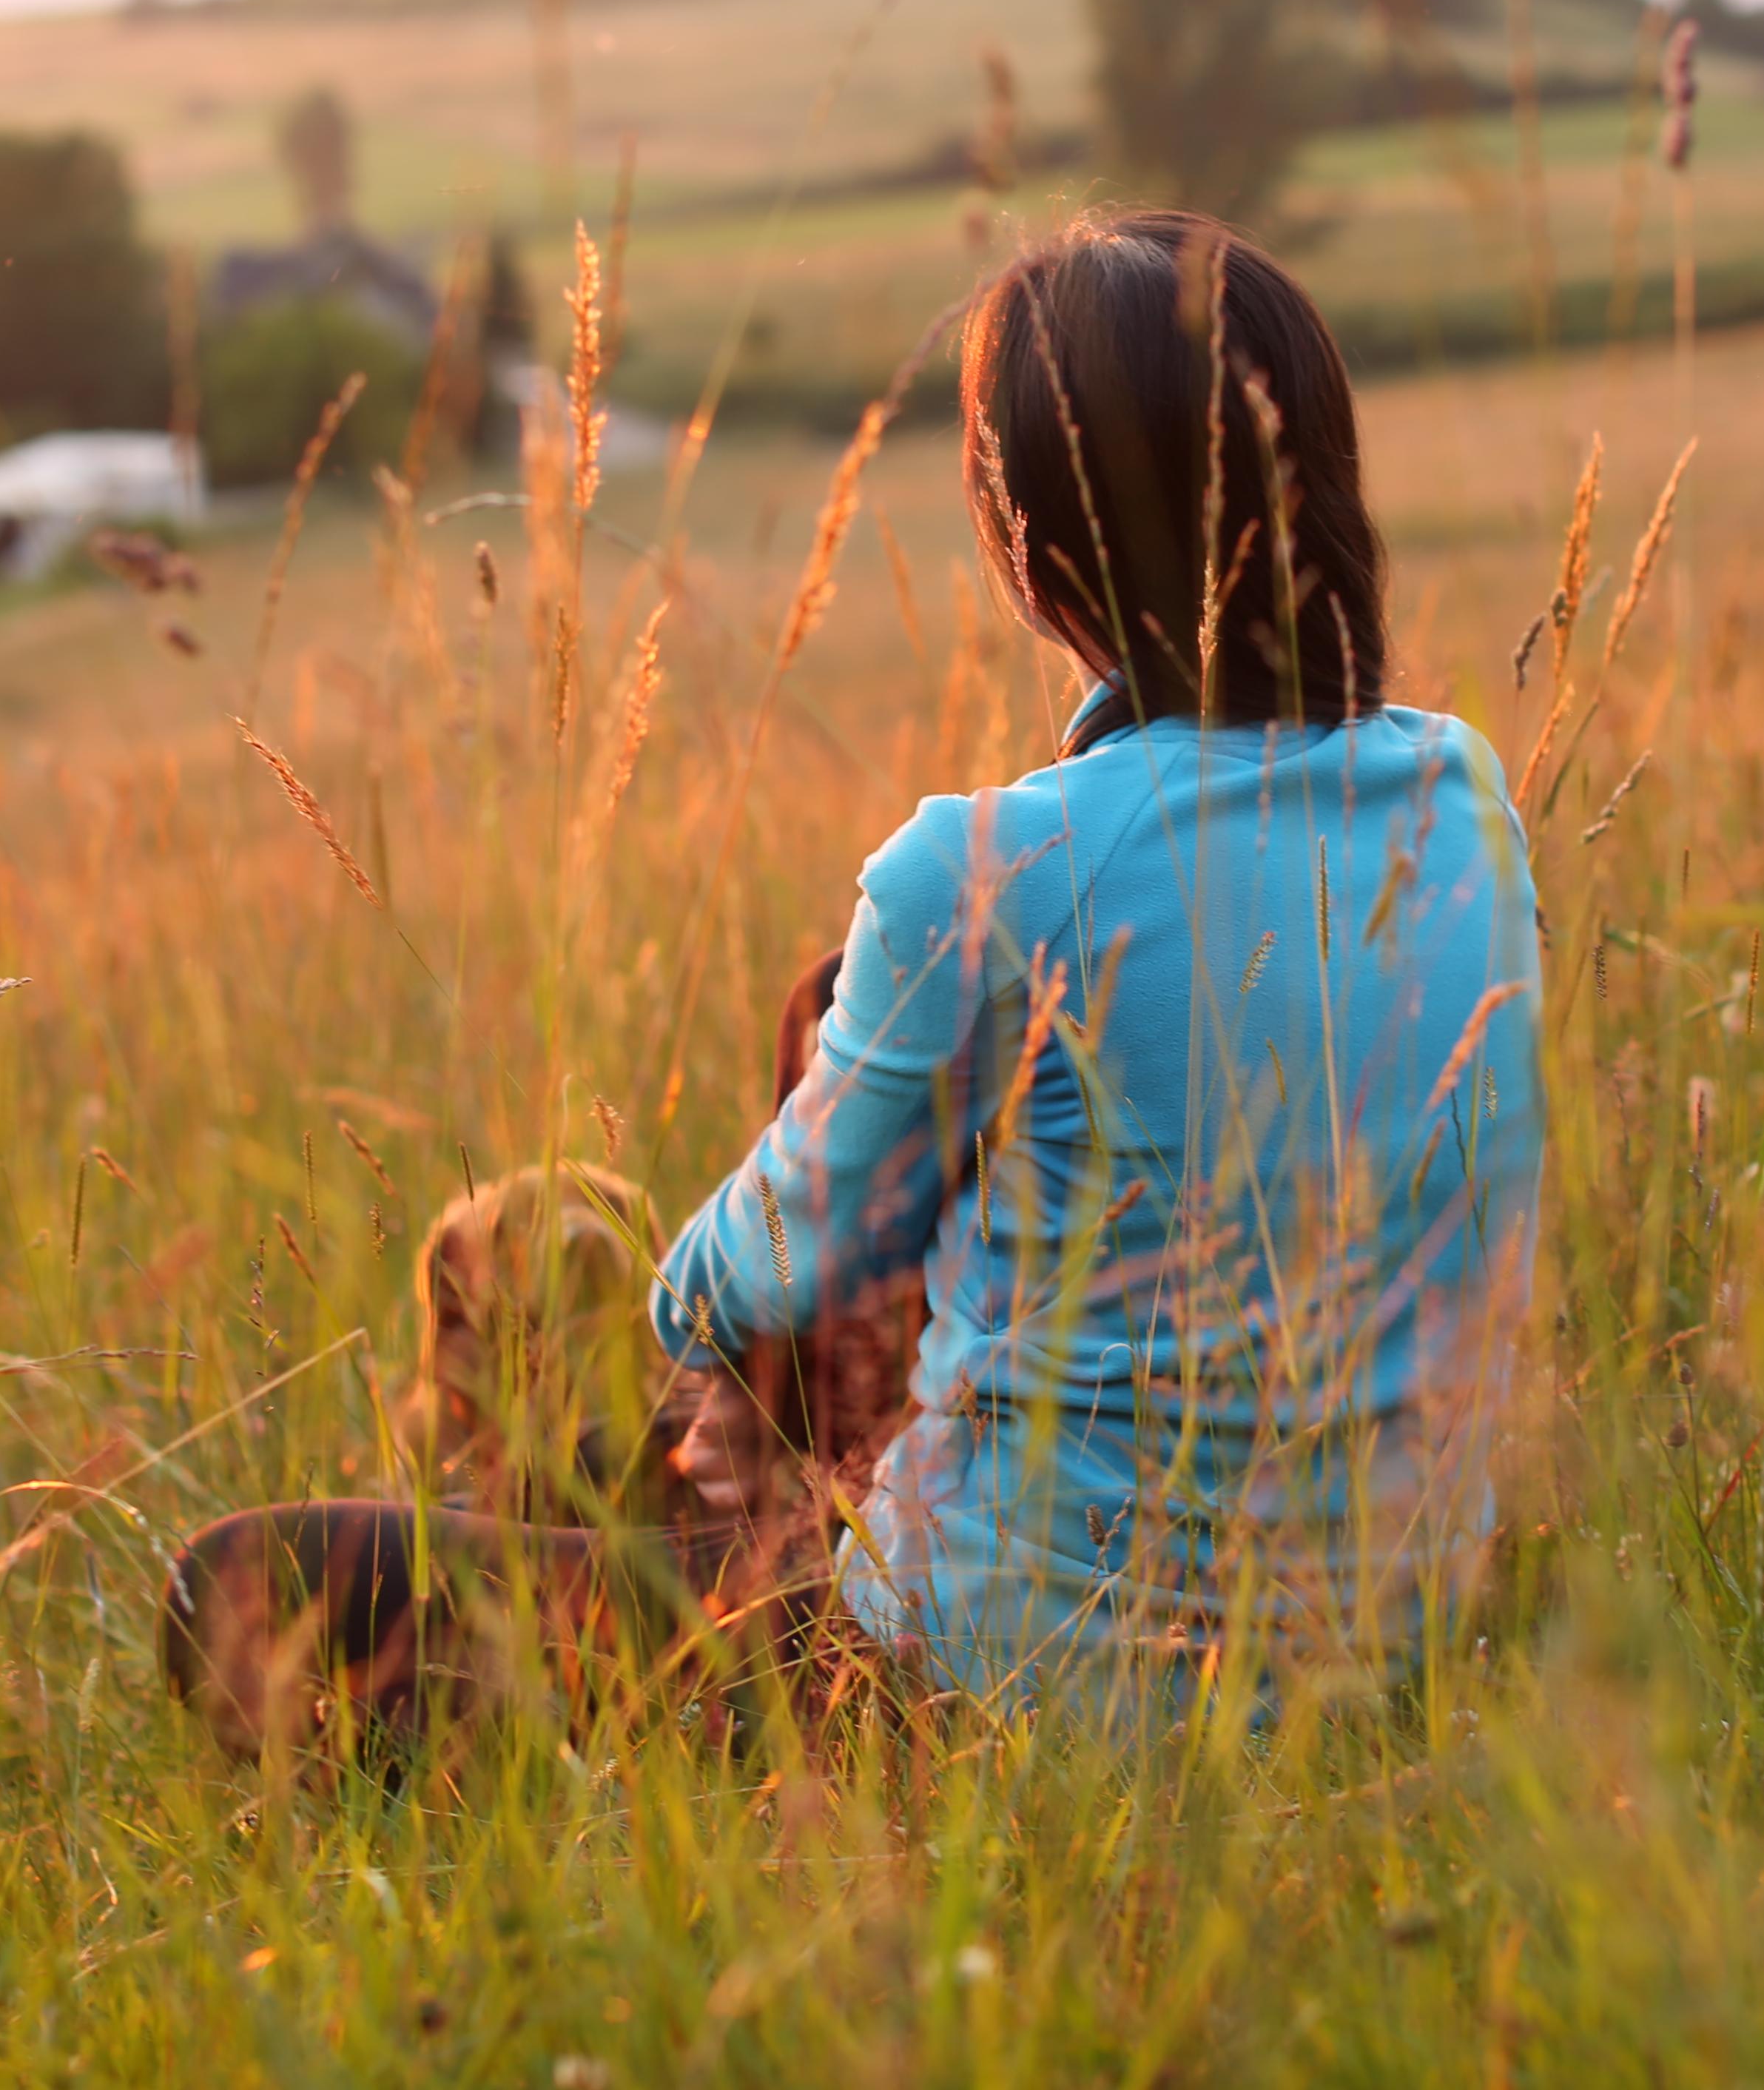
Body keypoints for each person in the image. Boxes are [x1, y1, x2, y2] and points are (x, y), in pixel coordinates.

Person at [649, 209, 1547, 1713]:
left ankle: (742, 1539)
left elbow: (776, 1255)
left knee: (256, 1582)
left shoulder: (988, 872)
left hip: (1012, 1687)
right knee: (850, 1018)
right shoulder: (1466, 797)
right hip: (1394, 1659)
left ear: (1028, 545)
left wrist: (698, 1323)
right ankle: (754, 1509)